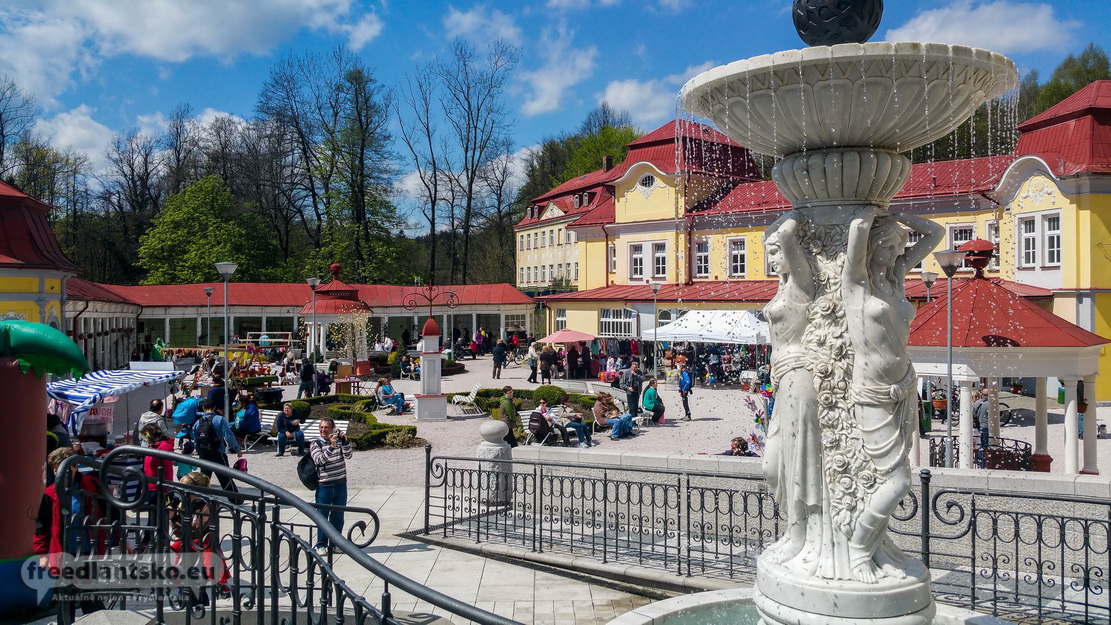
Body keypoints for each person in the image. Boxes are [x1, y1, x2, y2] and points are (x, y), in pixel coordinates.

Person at [842, 206, 944, 582]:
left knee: (888, 477)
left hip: (904, 390)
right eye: (888, 248)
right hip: (872, 393)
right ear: (871, 248)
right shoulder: (855, 286)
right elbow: (854, 241)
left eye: (899, 248)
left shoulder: (896, 279)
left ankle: (878, 548)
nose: (896, 255)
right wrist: (868, 214)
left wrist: (898, 213)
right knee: (897, 480)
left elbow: (935, 233)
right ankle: (857, 551)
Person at [759, 213, 822, 574]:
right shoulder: (783, 288)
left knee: (800, 462)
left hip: (800, 375)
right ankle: (794, 530)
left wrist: (802, 206)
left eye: (776, 253)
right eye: (768, 253)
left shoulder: (801, 284)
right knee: (773, 465)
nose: (772, 259)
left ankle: (804, 536)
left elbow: (785, 234)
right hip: (782, 380)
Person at [34, 447, 107, 618]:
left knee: (89, 596)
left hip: (88, 551)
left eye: (67, 467)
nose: (62, 472)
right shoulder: (50, 493)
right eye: (57, 469)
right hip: (62, 553)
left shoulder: (91, 485)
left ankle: (100, 621)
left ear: (75, 467)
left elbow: (109, 513)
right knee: (65, 599)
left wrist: (120, 540)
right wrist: (42, 554)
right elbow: (42, 525)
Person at [310, 417, 352, 555]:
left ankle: (336, 543)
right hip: (324, 485)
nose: (323, 430)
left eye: (326, 427)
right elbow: (319, 460)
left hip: (340, 482)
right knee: (322, 515)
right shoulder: (316, 443)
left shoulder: (339, 441)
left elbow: (348, 455)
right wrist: (331, 447)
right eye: (321, 428)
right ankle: (321, 544)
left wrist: (345, 442)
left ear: (333, 428)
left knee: (338, 515)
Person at [195, 399, 242, 496]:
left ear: (203, 408)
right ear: (215, 408)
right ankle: (235, 499)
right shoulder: (219, 419)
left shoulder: (198, 422)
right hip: (218, 452)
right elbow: (228, 435)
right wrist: (237, 449)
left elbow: (195, 438)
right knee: (225, 477)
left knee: (204, 478)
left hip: (204, 453)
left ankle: (202, 500)